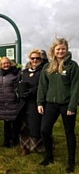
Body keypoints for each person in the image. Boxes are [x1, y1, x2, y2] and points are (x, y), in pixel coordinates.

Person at [37, 38, 79, 173]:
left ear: (66, 50)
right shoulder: (47, 67)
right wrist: (40, 102)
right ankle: (49, 157)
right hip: (50, 104)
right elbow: (42, 86)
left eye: (63, 49)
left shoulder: (72, 66)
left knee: (69, 132)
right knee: (44, 130)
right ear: (53, 51)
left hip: (66, 104)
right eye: (58, 49)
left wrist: (72, 106)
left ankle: (71, 162)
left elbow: (75, 87)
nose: (61, 51)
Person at [18, 49, 45, 156]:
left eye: (37, 58)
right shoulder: (24, 72)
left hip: (36, 102)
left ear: (41, 59)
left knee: (36, 125)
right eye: (32, 58)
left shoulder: (43, 71)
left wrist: (32, 91)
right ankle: (25, 147)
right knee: (24, 126)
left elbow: (44, 85)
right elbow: (20, 83)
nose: (34, 60)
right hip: (24, 103)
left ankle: (39, 147)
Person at [0, 57, 21, 148]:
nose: (6, 65)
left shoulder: (15, 74)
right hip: (2, 102)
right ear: (1, 65)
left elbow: (18, 87)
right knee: (6, 123)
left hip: (13, 101)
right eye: (4, 64)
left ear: (10, 63)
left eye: (7, 63)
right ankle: (6, 141)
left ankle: (14, 140)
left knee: (14, 122)